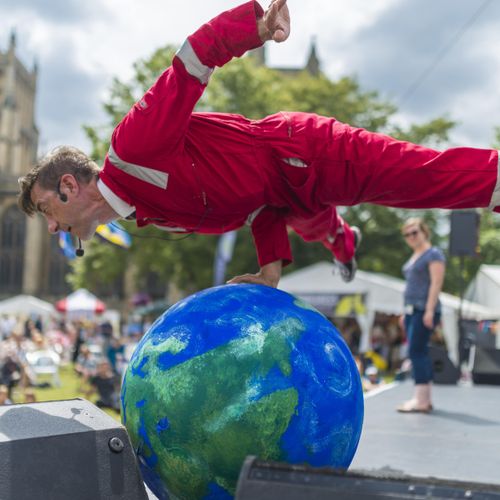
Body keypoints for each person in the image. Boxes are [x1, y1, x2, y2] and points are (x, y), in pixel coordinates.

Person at [17, 0, 499, 288]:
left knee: (416, 180)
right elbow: (254, 208)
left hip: (302, 151)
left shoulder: (133, 149)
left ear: (67, 186)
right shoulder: (145, 210)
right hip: (282, 195)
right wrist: (269, 272)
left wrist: (256, 27)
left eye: (48, 212)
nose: (54, 228)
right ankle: (344, 242)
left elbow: (192, 60)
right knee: (316, 225)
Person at [397, 218, 445, 413]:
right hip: (411, 310)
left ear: (424, 231)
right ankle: (424, 398)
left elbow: (436, 283)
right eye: (407, 234)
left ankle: (421, 400)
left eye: (414, 232)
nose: (411, 237)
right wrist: (405, 312)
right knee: (418, 351)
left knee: (416, 352)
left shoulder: (433, 254)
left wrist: (429, 310)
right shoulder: (414, 256)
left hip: (424, 309)